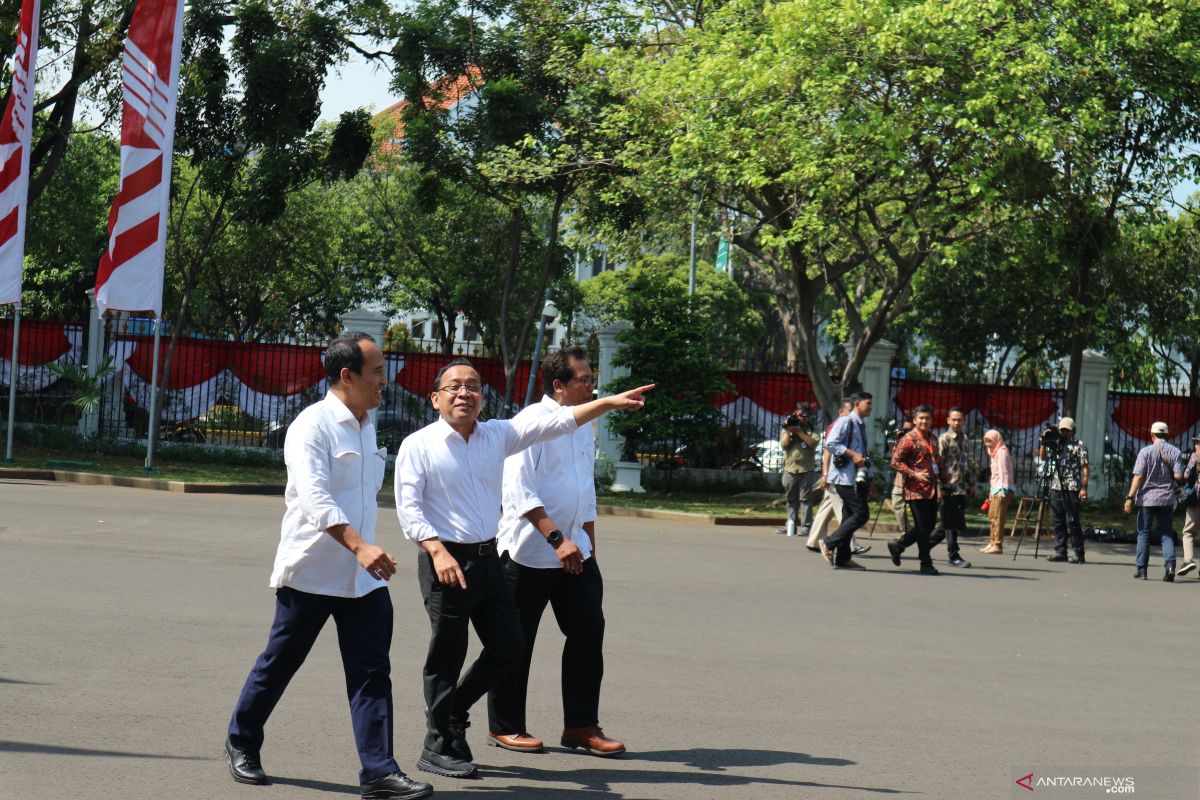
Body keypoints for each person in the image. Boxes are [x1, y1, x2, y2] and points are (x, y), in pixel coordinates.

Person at [395, 357, 652, 779]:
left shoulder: (497, 435)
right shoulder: (418, 445)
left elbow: (560, 422)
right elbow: (409, 508)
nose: (465, 393)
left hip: (487, 558)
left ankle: (454, 710)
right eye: (455, 387)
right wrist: (436, 552)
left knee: (509, 647)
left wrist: (608, 402)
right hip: (447, 560)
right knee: (447, 652)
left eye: (473, 386)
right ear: (435, 398)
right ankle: (439, 743)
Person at [224, 333, 433, 800]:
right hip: (313, 572)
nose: (385, 380)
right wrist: (361, 547)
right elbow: (317, 500)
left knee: (371, 673)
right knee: (280, 663)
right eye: (377, 371)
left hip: (362, 579)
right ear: (347, 375)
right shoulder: (311, 426)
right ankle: (241, 741)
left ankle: (379, 772)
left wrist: (364, 554)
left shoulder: (366, 424)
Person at [486, 347, 624, 759]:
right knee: (515, 641)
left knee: (587, 632)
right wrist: (556, 539)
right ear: (559, 386)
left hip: (576, 553)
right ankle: (505, 726)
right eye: (584, 379)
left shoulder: (583, 425)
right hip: (529, 554)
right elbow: (518, 490)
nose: (592, 385)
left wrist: (587, 542)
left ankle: (581, 726)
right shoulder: (530, 423)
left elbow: (585, 490)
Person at [1124, 421, 1184, 582]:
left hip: (1146, 499)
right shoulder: (1175, 452)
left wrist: (1129, 497)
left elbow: (1138, 476)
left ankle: (1142, 570)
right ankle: (1170, 566)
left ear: (1152, 435)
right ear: (1167, 435)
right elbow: (1179, 476)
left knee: (1144, 533)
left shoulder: (1145, 452)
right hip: (1166, 499)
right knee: (1166, 533)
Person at [819, 392, 873, 570]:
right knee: (862, 514)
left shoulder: (860, 424)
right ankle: (829, 542)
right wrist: (852, 454)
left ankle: (843, 558)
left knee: (849, 517)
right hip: (844, 478)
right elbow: (831, 443)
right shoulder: (846, 421)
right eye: (868, 404)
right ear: (857, 404)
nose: (871, 407)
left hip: (856, 478)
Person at [886, 404, 941, 575]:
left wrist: (939, 487)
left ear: (932, 420)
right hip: (915, 490)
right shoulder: (909, 438)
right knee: (923, 528)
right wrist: (914, 474)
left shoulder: (933, 439)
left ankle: (899, 545)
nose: (924, 421)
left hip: (931, 489)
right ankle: (925, 563)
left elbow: (936, 464)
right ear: (915, 420)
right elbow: (895, 462)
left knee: (928, 526)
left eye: (927, 418)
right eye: (921, 418)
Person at [1041, 416, 1089, 564]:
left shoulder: (1079, 445)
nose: (1063, 433)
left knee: (1073, 521)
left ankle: (1079, 553)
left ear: (1073, 431)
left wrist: (1083, 487)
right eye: (1061, 430)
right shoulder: (1056, 444)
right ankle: (1060, 551)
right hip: (1056, 486)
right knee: (1058, 521)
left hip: (1071, 487)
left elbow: (1084, 467)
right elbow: (1042, 457)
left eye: (1066, 431)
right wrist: (1044, 441)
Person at [930, 407, 972, 568]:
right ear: (948, 420)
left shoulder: (965, 439)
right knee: (949, 524)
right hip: (948, 487)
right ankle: (953, 555)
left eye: (959, 420)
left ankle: (922, 547)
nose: (956, 422)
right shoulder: (944, 439)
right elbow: (937, 465)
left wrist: (971, 484)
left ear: (964, 421)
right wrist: (939, 487)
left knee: (950, 524)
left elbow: (966, 464)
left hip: (960, 487)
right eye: (953, 419)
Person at [778, 401, 819, 537]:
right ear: (796, 413)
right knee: (791, 499)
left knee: (805, 499)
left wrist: (799, 431)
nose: (802, 418)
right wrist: (789, 430)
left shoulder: (813, 428)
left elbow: (813, 443)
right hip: (790, 468)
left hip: (806, 469)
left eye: (805, 416)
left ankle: (806, 526)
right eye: (800, 415)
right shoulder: (788, 425)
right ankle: (790, 524)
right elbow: (784, 445)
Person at [979, 429, 1016, 555]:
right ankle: (992, 542)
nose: (988, 444)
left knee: (998, 516)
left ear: (996, 439)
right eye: (986, 441)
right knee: (992, 515)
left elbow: (1004, 472)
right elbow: (994, 475)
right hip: (996, 489)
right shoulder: (993, 453)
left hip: (1003, 489)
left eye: (990, 441)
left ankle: (998, 545)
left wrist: (1002, 490)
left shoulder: (1001, 452)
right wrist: (991, 492)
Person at [1178, 437, 1200, 577]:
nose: (1195, 444)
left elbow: (1186, 475)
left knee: (1188, 532)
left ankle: (1188, 560)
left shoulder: (1195, 456)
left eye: (1197, 442)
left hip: (1197, 499)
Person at [888, 418, 914, 533]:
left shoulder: (916, 440)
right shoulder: (900, 441)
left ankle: (914, 532)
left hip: (914, 479)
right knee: (897, 504)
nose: (906, 432)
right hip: (900, 480)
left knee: (918, 510)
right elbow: (895, 460)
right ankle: (906, 531)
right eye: (905, 429)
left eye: (909, 429)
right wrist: (897, 444)